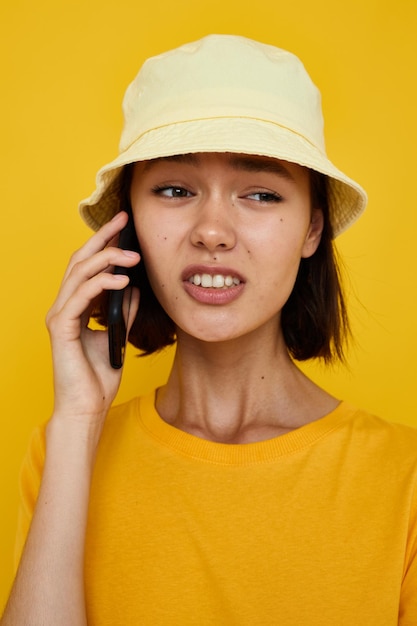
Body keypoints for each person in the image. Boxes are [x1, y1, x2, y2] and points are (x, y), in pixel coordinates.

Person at [2, 34, 416, 626]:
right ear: (128, 228)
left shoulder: (405, 477)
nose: (213, 231)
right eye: (174, 190)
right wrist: (76, 423)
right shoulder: (64, 452)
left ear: (311, 231)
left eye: (261, 193)